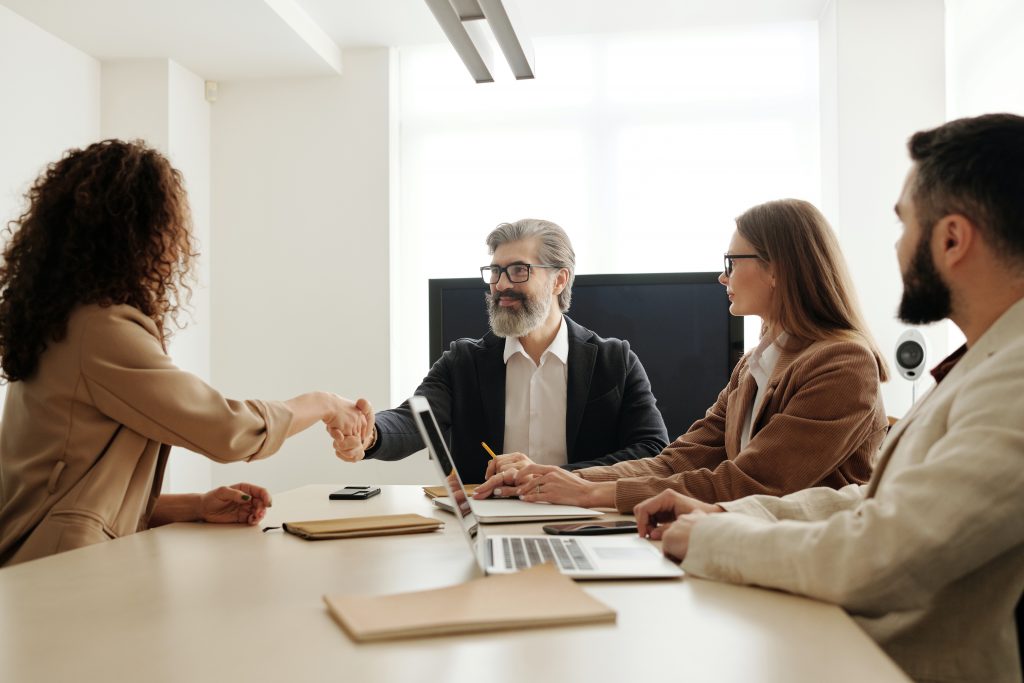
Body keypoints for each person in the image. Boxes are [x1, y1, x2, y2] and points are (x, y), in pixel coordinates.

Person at [633, 114, 1024, 683]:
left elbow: (885, 553)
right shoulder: (985, 362)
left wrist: (718, 537)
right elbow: (870, 501)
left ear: (952, 239)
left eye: (904, 225)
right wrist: (727, 514)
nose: (897, 248)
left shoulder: (1012, 381)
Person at [0, 139, 370, 567]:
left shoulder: (63, 323)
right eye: (167, 226)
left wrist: (193, 506)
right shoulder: (98, 330)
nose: (175, 246)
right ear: (135, 232)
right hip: (56, 575)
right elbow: (225, 428)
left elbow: (72, 491)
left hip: (43, 566)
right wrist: (323, 403)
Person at [475, 200, 889, 513]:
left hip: (806, 572)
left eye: (732, 261)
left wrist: (593, 492)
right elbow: (679, 460)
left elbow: (753, 483)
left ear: (777, 269)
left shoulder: (843, 365)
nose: (723, 276)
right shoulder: (754, 365)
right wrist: (561, 480)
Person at [333, 219, 669, 484]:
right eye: (495, 271)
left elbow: (652, 451)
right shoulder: (462, 362)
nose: (501, 285)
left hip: (583, 517)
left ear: (559, 280)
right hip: (489, 518)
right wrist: (370, 433)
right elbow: (414, 421)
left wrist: (555, 476)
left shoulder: (615, 361)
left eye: (518, 270)